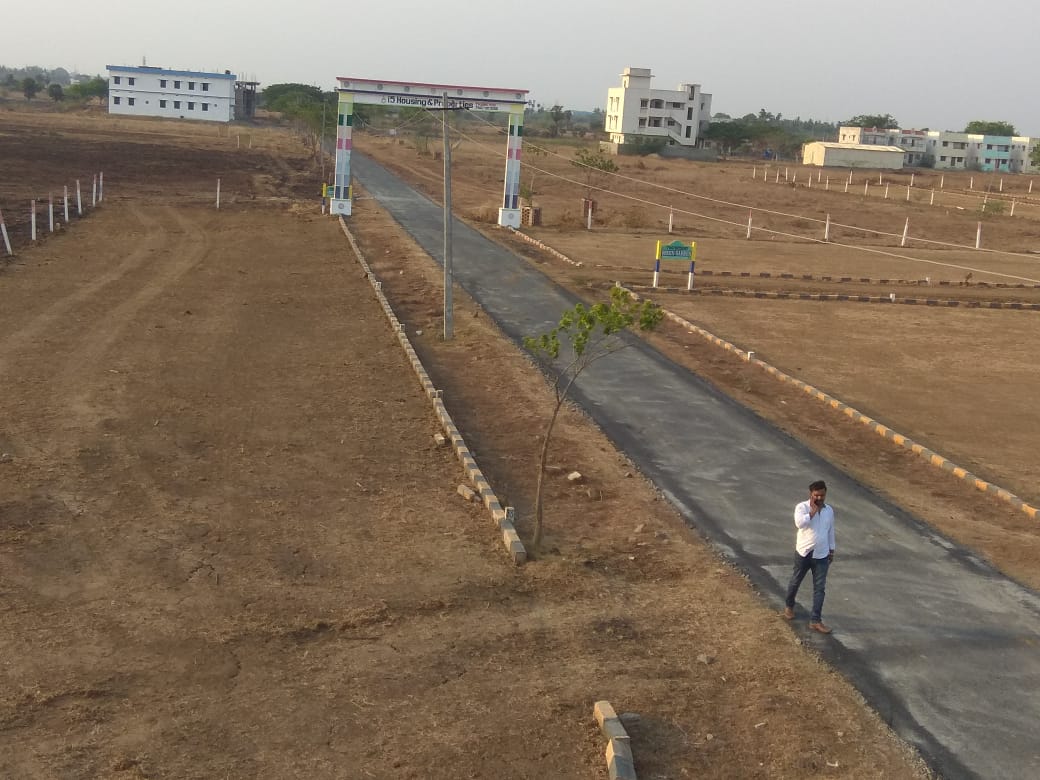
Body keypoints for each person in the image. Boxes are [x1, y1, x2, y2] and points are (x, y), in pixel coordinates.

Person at [782, 480, 836, 634]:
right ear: (811, 494)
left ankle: (815, 620)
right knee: (796, 580)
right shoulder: (802, 507)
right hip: (804, 553)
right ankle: (789, 606)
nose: (819, 498)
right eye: (816, 495)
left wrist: (832, 550)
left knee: (820, 588)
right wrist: (811, 512)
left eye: (822, 495)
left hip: (822, 555)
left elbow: (830, 531)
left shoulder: (829, 511)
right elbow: (799, 524)